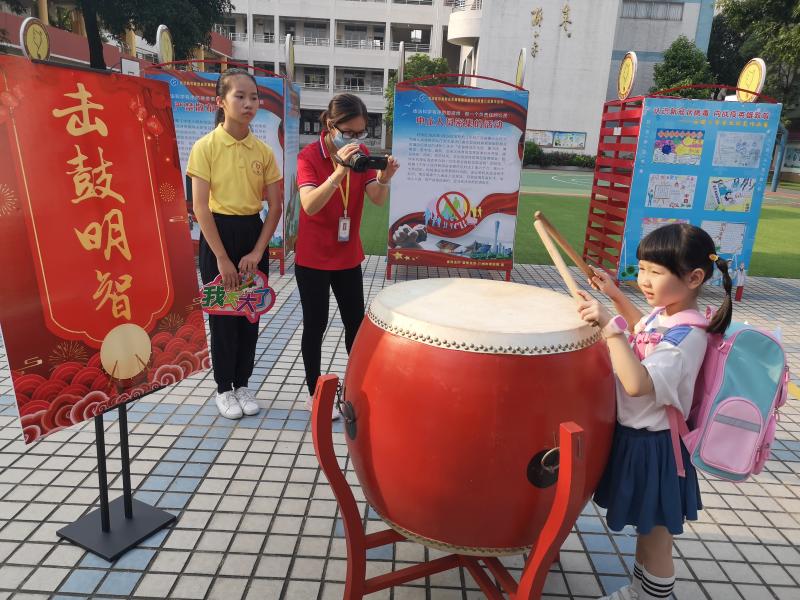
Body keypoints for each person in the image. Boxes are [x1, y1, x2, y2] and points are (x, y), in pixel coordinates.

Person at [575, 223, 733, 600]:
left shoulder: (687, 337)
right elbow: (641, 327)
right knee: (647, 529)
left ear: (694, 278)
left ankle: (649, 595)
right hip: (640, 440)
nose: (644, 280)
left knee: (656, 539)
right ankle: (638, 590)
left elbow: (637, 383)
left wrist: (609, 329)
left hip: (658, 450)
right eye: (642, 268)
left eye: (656, 272)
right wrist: (614, 295)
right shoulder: (665, 315)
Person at [295, 93, 399, 416]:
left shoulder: (361, 154)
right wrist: (339, 170)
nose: (355, 139)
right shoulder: (309, 156)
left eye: (360, 132)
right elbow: (309, 205)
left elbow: (376, 198)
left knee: (355, 322)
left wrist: (383, 179)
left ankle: (354, 388)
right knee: (315, 324)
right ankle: (315, 393)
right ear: (330, 125)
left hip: (347, 256)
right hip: (312, 258)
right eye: (349, 132)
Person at [187, 68, 283, 419]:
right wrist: (222, 258)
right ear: (220, 102)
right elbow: (200, 207)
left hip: (252, 233)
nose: (248, 104)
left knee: (249, 314)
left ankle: (243, 384)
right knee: (223, 317)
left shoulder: (263, 151)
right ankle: (224, 389)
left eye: (253, 97)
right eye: (239, 96)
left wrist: (258, 251)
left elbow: (276, 206)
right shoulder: (205, 147)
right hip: (218, 236)